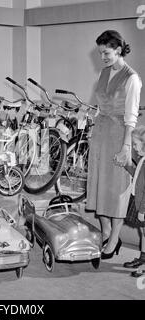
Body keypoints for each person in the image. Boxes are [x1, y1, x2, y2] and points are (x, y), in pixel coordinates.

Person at [86, 30, 142, 259]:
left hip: (119, 135)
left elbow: (131, 116)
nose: (103, 57)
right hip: (100, 133)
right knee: (99, 183)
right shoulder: (103, 73)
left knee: (117, 188)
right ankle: (107, 230)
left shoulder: (132, 78)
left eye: (106, 53)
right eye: (100, 53)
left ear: (118, 50)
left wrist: (126, 146)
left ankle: (115, 236)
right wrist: (92, 126)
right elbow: (100, 105)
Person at [122, 126, 145, 277]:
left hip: (143, 206)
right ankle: (143, 258)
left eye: (136, 144)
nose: (134, 148)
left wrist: (142, 211)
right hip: (138, 202)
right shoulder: (143, 159)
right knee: (143, 233)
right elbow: (137, 177)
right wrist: (126, 165)